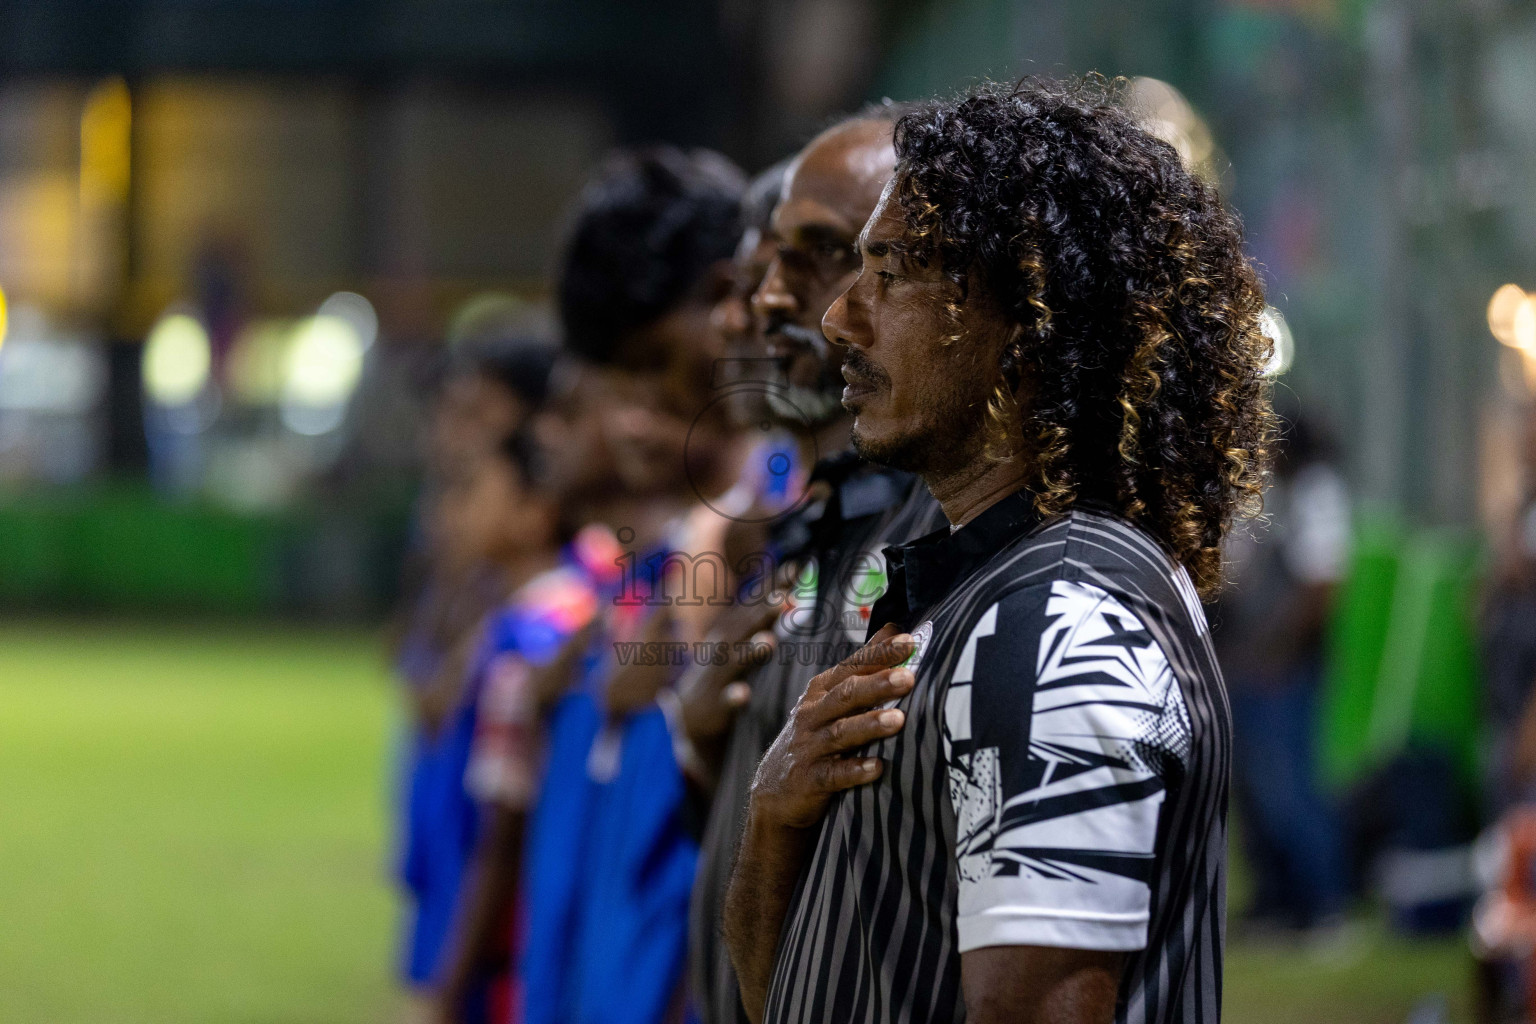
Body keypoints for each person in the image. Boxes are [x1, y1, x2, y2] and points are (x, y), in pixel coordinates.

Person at [724, 78, 1273, 1024]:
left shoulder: (1057, 628)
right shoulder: (973, 585)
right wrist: (775, 825)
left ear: (1026, 319)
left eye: (890, 274)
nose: (839, 318)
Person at [681, 110, 947, 1024]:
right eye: (766, 267)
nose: (765, 305)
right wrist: (702, 747)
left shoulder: (944, 539)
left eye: (817, 254)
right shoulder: (825, 518)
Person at [519, 145, 750, 1024]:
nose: (633, 414)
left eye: (655, 364)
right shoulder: (657, 556)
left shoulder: (781, 538)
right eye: (621, 376)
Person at [395, 340, 557, 1020]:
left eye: (474, 497)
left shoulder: (530, 638)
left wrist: (450, 982)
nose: (450, 516)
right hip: (463, 881)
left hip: (497, 941)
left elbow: (503, 834)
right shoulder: (500, 622)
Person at [1215, 407, 1352, 936]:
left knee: (1292, 787)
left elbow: (1322, 588)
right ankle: (1277, 904)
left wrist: (1275, 651)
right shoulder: (1272, 490)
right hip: (1252, 659)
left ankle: (1325, 905)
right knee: (1256, 789)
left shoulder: (1318, 491)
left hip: (1289, 666)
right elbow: (1240, 568)